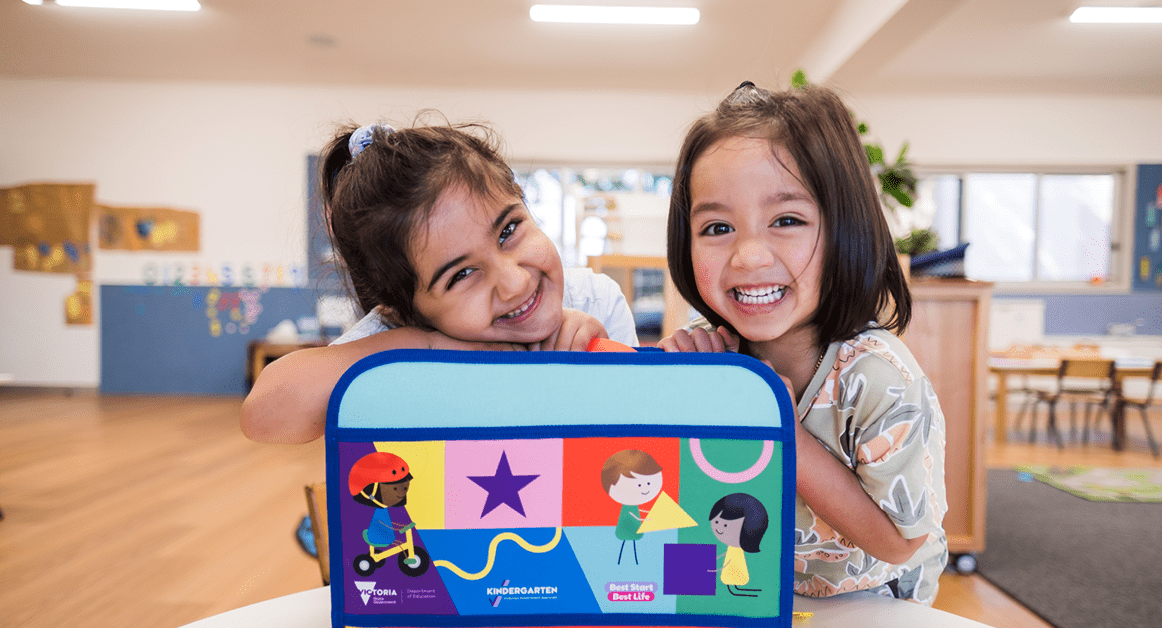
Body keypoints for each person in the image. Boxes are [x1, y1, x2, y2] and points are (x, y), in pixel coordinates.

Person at [658, 82, 947, 604]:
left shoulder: (880, 379)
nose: (747, 256)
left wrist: (779, 429)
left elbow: (899, 545)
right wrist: (681, 394)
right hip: (760, 595)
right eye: (718, 226)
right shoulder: (719, 358)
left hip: (873, 599)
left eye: (787, 220)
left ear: (844, 229)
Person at [242, 118, 636, 444]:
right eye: (461, 275)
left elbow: (643, 447)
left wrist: (596, 363)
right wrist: (427, 345)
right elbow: (265, 415)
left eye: (509, 230)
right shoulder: (394, 340)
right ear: (401, 310)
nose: (514, 283)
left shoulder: (593, 299)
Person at [600, 449, 664, 565]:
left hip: (633, 528)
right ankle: (621, 561)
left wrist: (647, 515)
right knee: (625, 542)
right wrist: (644, 519)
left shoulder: (634, 505)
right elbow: (632, 515)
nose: (645, 488)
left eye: (648, 483)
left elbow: (638, 511)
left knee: (633, 543)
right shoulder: (627, 506)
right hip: (625, 527)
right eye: (639, 484)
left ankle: (633, 562)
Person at [709, 493, 769, 597]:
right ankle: (733, 588)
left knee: (736, 574)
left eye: (725, 525)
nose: (719, 528)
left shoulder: (737, 549)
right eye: (717, 521)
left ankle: (736, 587)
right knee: (731, 575)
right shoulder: (731, 548)